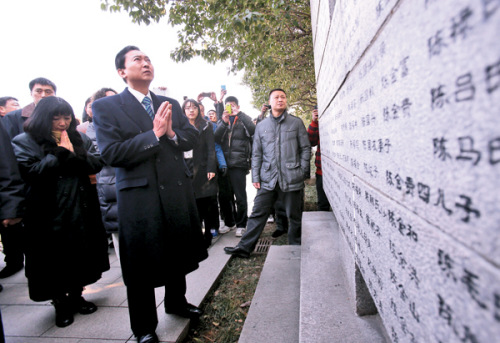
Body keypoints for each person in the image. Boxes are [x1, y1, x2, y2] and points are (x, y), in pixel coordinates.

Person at [92, 45, 208, 343]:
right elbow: (112, 153)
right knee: (140, 264)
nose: (145, 63)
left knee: (176, 251)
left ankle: (176, 302)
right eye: (137, 60)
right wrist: (153, 135)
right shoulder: (106, 107)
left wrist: (171, 133)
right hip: (138, 197)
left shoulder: (168, 102)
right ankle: (144, 328)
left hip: (174, 190)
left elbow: (190, 137)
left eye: (148, 59)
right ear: (122, 72)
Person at [11, 96, 110, 328]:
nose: (62, 122)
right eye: (56, 117)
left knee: (80, 253)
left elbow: (96, 164)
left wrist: (76, 153)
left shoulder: (79, 137)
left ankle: (77, 295)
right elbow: (31, 172)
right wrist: (58, 154)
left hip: (80, 204)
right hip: (47, 211)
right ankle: (60, 302)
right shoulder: (24, 141)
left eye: (66, 117)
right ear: (44, 117)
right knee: (53, 259)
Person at [224, 88, 310, 258]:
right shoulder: (262, 126)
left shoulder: (296, 123)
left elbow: (305, 148)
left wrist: (302, 171)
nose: (280, 100)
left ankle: (295, 246)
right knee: (257, 213)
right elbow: (256, 154)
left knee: (294, 215)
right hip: (268, 178)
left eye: (283, 97)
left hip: (291, 176)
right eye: (276, 97)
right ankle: (244, 248)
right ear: (270, 102)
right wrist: (256, 176)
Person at [80, 88, 120, 256]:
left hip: (131, 185)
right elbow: (104, 156)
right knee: (121, 239)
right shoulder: (91, 129)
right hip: (111, 187)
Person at [214, 95, 255, 237]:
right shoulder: (222, 120)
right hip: (223, 164)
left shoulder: (243, 119)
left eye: (232, 105)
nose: (230, 108)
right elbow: (216, 139)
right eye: (227, 105)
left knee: (240, 196)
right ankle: (230, 223)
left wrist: (240, 114)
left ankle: (242, 224)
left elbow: (253, 130)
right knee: (224, 196)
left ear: (237, 106)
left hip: (238, 164)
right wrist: (224, 122)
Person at [182, 99, 219, 247]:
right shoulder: (179, 127)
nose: (191, 110)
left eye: (194, 107)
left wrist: (211, 168)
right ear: (183, 111)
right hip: (187, 168)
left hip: (203, 168)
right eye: (188, 108)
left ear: (198, 110)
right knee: (192, 205)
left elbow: (211, 148)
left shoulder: (206, 126)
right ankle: (196, 235)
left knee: (207, 203)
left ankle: (208, 235)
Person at [308, 106, 331, 211]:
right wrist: (314, 121)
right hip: (322, 172)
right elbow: (311, 141)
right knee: (323, 204)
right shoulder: (319, 125)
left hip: (338, 170)